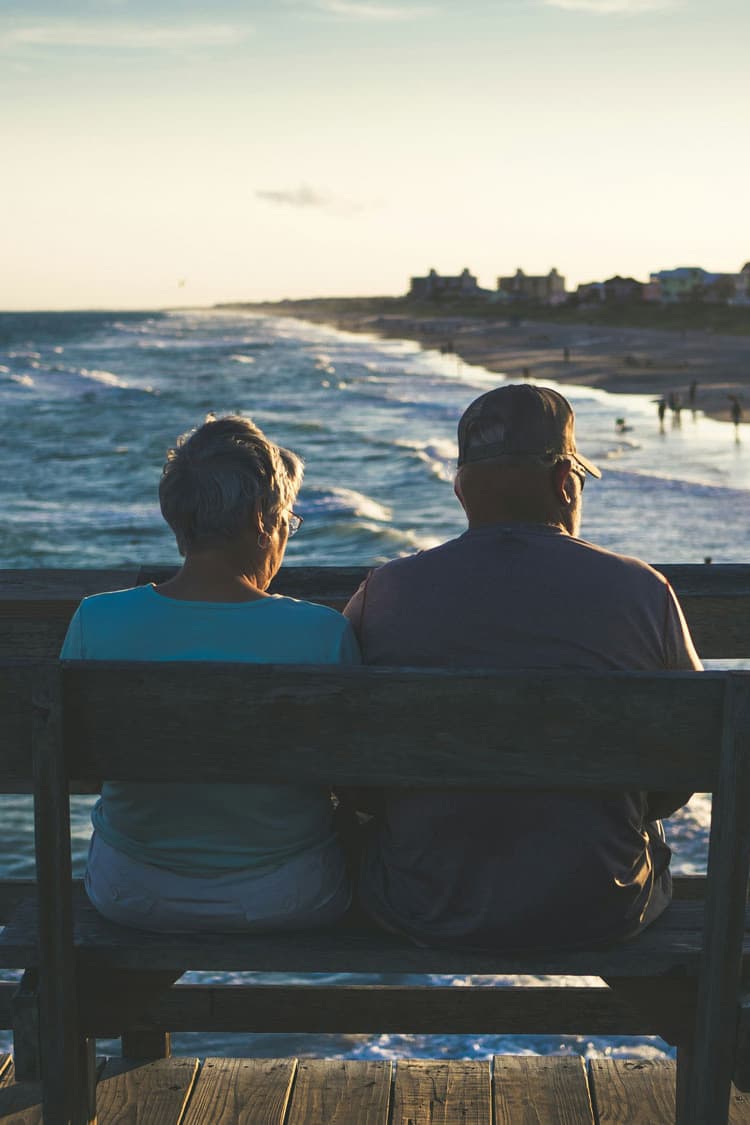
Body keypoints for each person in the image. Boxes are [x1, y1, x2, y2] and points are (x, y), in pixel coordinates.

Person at [344, 384, 701, 950]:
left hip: (424, 904)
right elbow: (688, 761)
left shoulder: (383, 591)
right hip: (600, 906)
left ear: (461, 491)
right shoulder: (642, 590)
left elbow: (346, 763)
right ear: (565, 484)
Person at [61, 414, 360, 933]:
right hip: (288, 896)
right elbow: (358, 781)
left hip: (130, 891)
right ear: (261, 520)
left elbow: (76, 764)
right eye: (287, 520)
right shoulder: (321, 633)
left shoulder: (96, 619)